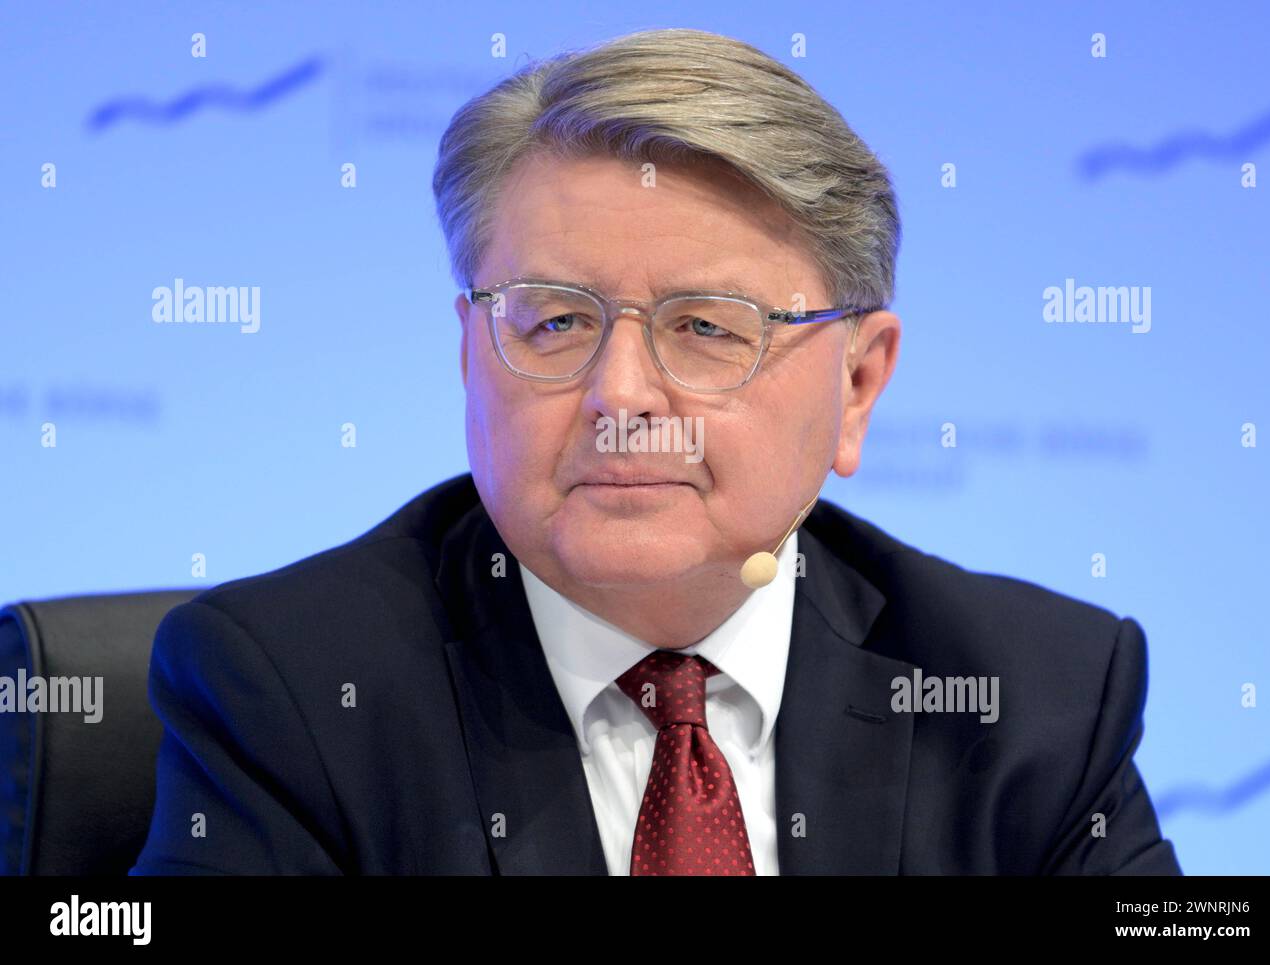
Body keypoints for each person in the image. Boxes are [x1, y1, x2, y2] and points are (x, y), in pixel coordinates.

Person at [130, 27, 1180, 875]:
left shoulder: (1033, 696)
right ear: (469, 354)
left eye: (708, 326)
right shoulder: (292, 693)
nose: (620, 395)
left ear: (857, 383)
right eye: (554, 323)